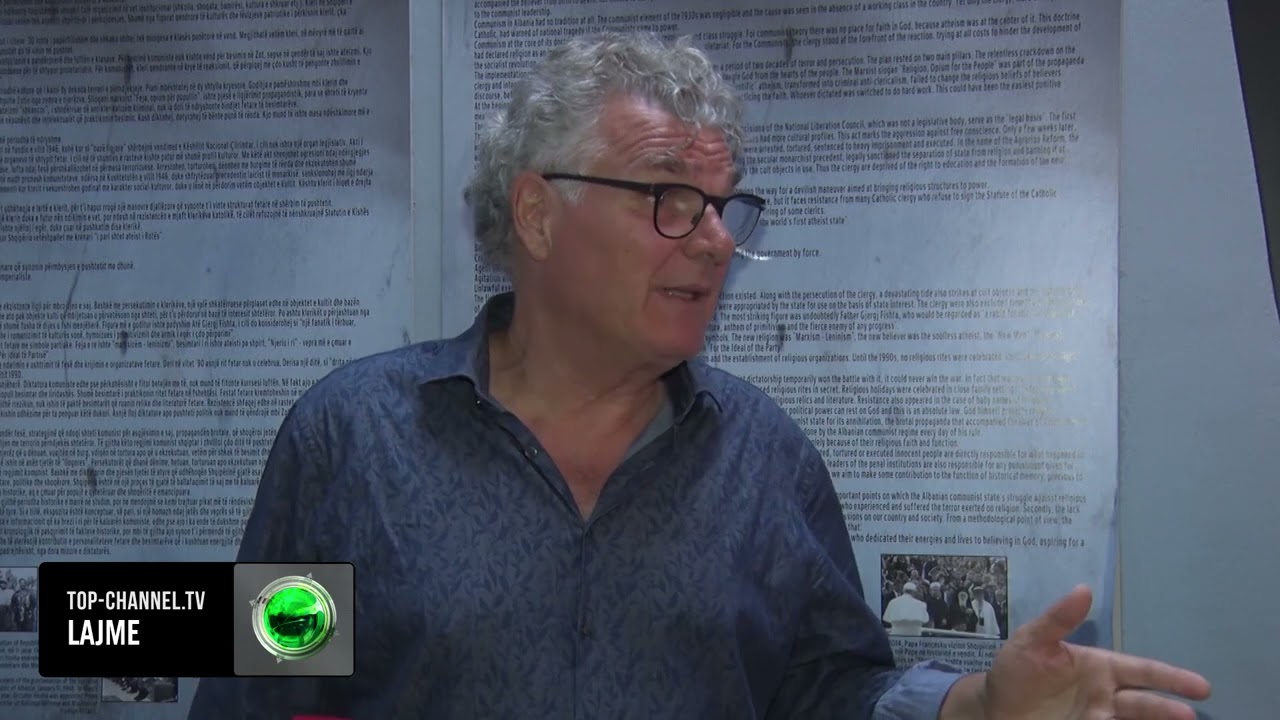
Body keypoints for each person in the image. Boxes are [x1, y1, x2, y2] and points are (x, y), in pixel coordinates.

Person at [187, 31, 1210, 719]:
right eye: (670, 200)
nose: (716, 241)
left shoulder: (767, 460)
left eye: (724, 206)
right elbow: (260, 691)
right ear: (537, 215)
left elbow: (827, 691)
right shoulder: (352, 438)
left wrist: (972, 707)